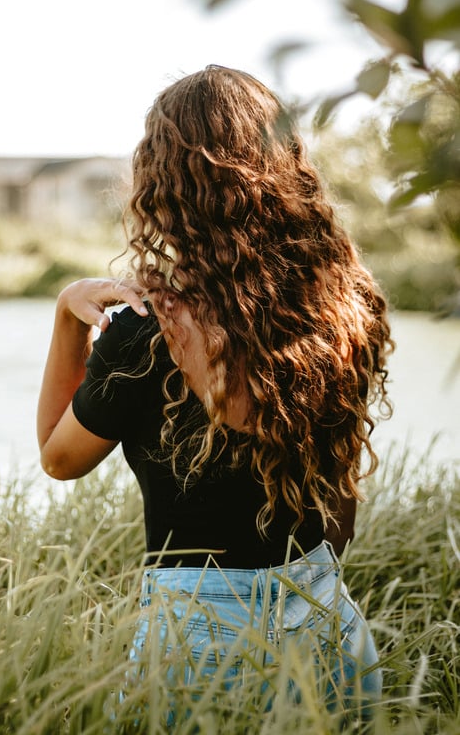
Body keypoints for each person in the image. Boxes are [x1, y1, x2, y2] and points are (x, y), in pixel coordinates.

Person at [37, 65, 392, 718]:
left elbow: (59, 460)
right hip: (327, 626)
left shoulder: (148, 331)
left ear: (163, 180)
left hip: (197, 646)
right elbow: (339, 518)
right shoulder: (342, 308)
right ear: (285, 165)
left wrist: (67, 314)